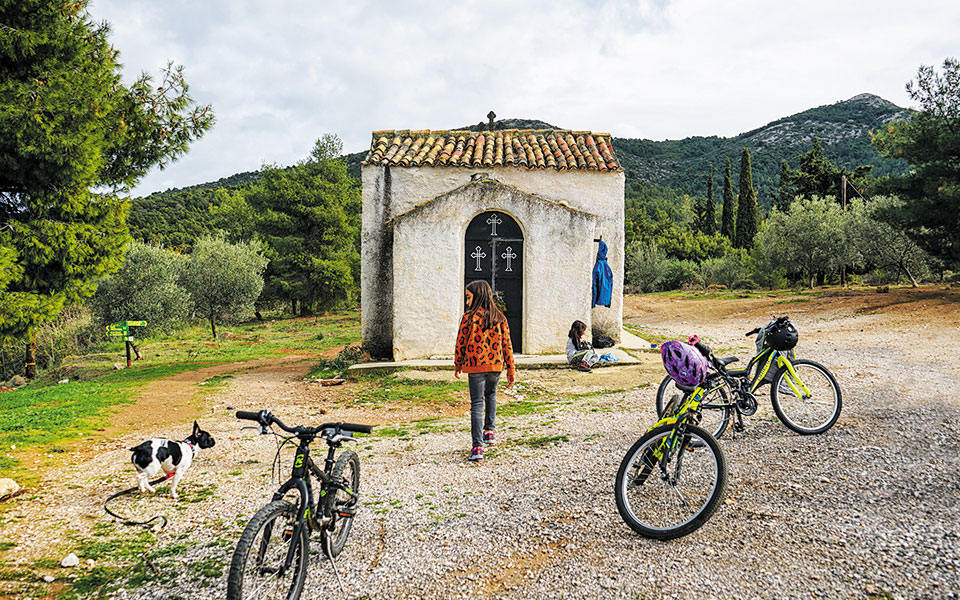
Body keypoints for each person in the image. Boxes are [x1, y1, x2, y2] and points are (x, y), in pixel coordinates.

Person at [454, 280, 515, 462]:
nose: (466, 302)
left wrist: (458, 364)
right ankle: (489, 431)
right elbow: (507, 345)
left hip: (476, 366)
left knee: (476, 404)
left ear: (477, 296)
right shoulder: (500, 318)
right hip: (495, 367)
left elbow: (460, 343)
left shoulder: (468, 318)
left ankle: (477, 447)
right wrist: (511, 369)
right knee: (491, 396)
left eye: (468, 297)